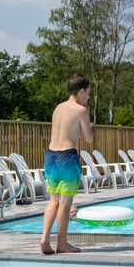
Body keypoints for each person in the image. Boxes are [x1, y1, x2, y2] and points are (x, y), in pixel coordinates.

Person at [40, 74, 93, 255]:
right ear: (81, 91)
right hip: (67, 158)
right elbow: (89, 138)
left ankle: (45, 238)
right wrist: (87, 115)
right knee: (65, 203)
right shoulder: (81, 110)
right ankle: (62, 244)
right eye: (88, 93)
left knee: (53, 201)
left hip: (50, 157)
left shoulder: (58, 107)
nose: (88, 97)